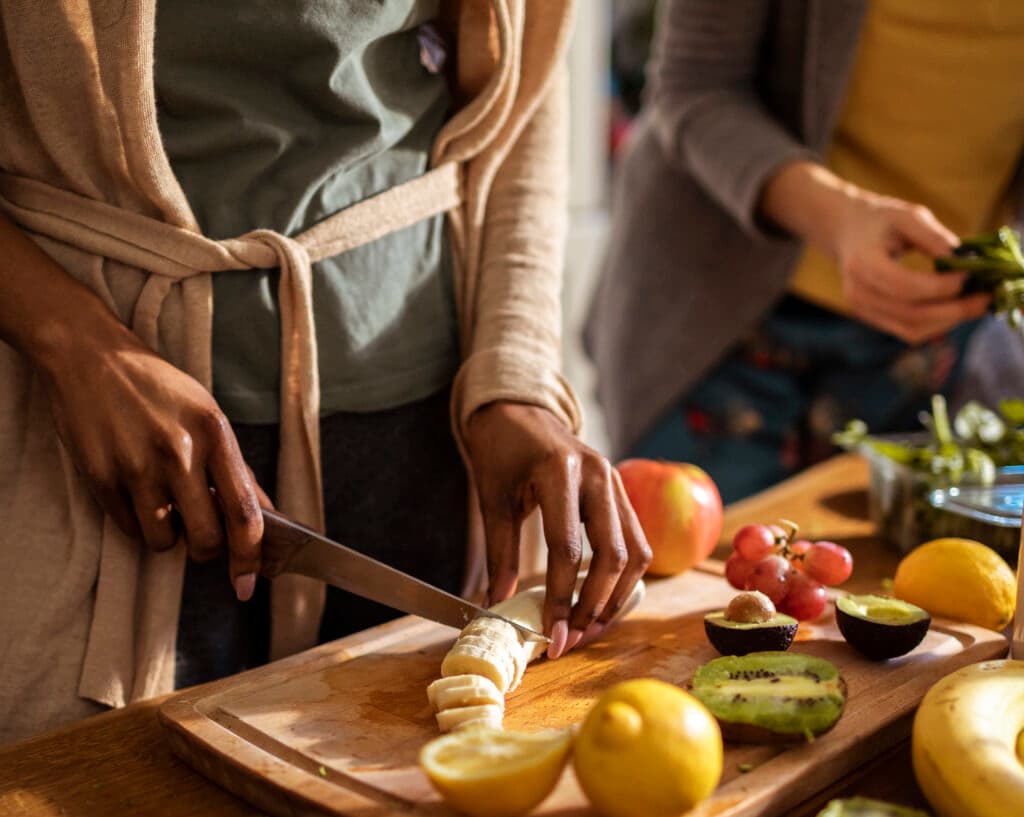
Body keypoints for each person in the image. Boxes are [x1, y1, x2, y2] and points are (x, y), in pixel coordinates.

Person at [0, 1, 651, 745]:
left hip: (431, 439)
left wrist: (517, 374)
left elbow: (524, 100)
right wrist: (71, 341)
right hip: (97, 450)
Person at [586, 0, 1023, 505]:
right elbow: (693, 87)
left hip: (930, 345)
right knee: (696, 579)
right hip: (722, 324)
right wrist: (839, 219)